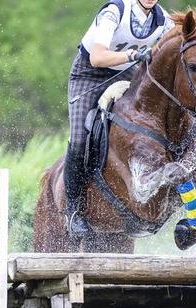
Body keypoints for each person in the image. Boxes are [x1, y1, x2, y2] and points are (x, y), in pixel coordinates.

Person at [65, 0, 175, 237]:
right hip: (89, 75)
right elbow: (97, 57)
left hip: (127, 72)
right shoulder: (115, 11)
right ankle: (73, 212)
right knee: (79, 140)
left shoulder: (163, 20)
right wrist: (134, 54)